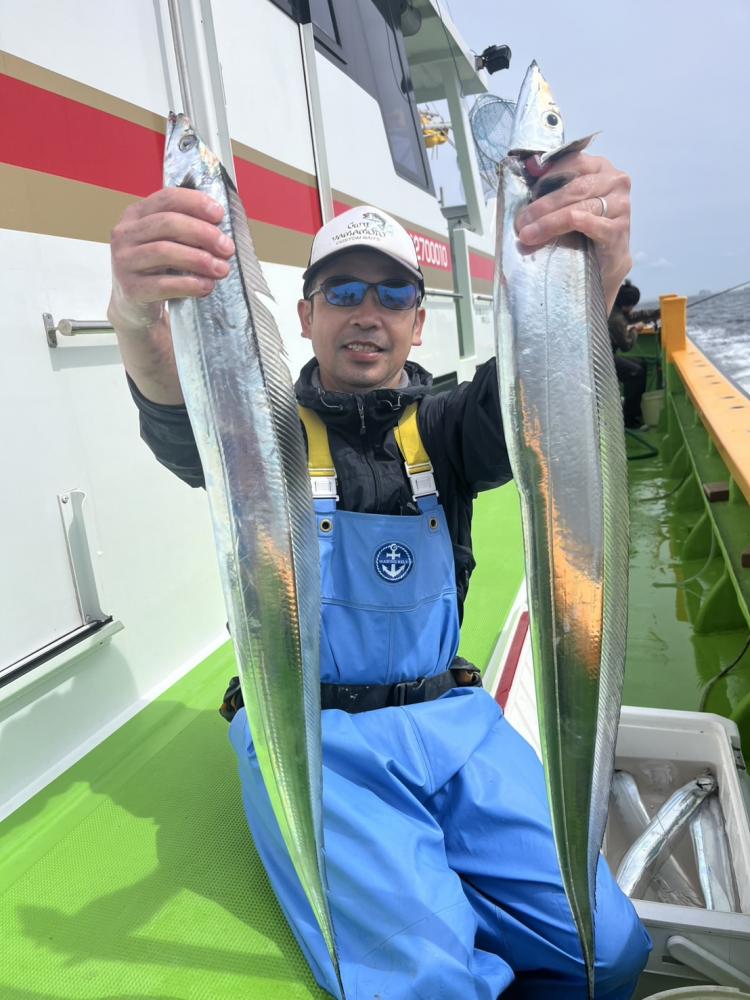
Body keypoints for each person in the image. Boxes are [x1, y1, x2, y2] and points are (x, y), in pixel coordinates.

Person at [108, 149, 651, 998]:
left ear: (419, 323)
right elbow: (179, 413)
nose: (368, 313)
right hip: (316, 733)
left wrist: (599, 276)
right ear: (305, 314)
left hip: (453, 718)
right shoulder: (260, 438)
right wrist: (139, 316)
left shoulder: (451, 427)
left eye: (394, 294)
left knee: (608, 951)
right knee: (432, 982)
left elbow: (544, 388)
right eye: (344, 292)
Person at [609, 280, 660, 429]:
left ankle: (632, 409)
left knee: (640, 364)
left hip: (605, 355)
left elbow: (633, 316)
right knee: (635, 373)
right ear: (627, 304)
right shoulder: (616, 319)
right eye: (633, 305)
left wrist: (657, 313)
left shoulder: (615, 309)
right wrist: (635, 330)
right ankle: (630, 420)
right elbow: (626, 346)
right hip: (599, 360)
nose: (633, 308)